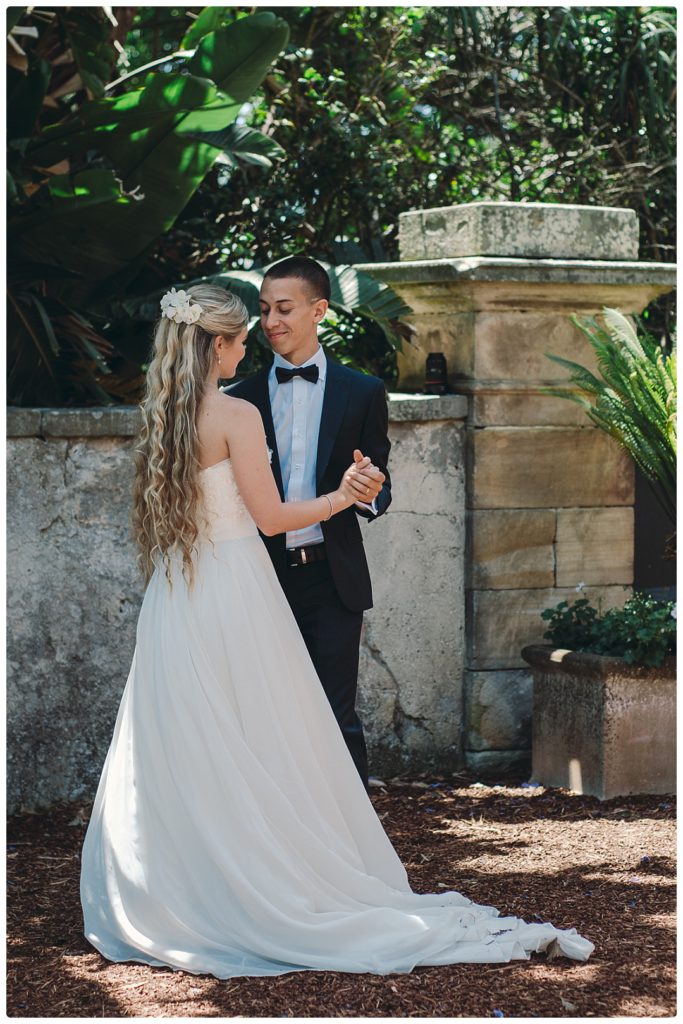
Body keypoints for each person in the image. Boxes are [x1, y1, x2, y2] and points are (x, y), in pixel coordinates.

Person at [80, 282, 595, 978]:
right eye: (238, 337)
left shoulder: (163, 413)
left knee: (186, 737)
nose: (250, 343)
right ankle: (270, 872)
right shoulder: (233, 413)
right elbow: (270, 519)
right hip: (235, 590)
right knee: (266, 732)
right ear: (216, 344)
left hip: (176, 596)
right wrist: (340, 497)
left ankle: (179, 882)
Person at [228, 256, 390, 791]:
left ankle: (353, 850)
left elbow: (379, 481)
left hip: (331, 576)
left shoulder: (362, 390)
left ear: (319, 309)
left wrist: (369, 492)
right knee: (265, 715)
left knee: (336, 719)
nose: (270, 321)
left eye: (284, 309)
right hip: (259, 578)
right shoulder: (239, 399)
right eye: (265, 309)